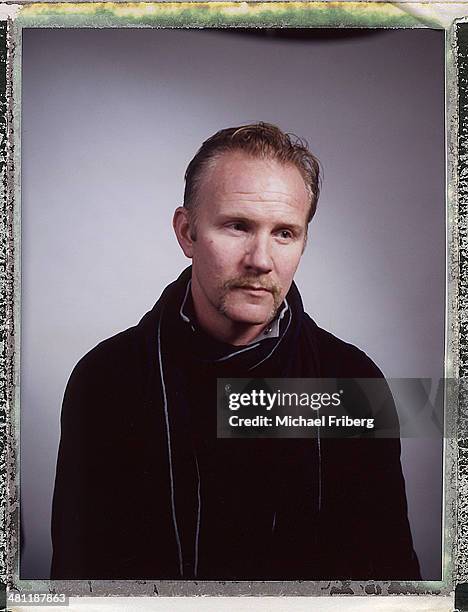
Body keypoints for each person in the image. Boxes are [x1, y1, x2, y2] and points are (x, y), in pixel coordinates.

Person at [51, 123, 421, 580]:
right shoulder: (105, 379)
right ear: (187, 233)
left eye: (285, 233)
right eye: (238, 226)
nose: (261, 260)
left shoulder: (354, 381)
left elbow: (390, 578)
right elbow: (77, 580)